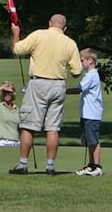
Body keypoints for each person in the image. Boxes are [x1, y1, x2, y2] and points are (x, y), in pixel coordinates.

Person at [9, 13, 82, 174]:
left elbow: (17, 49)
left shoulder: (38, 35)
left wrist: (16, 34)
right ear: (65, 28)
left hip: (39, 83)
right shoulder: (70, 43)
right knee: (53, 127)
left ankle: (22, 164)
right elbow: (77, 72)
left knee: (29, 126)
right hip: (58, 85)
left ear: (49, 23)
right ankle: (50, 166)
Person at [72, 49, 104, 176]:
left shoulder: (91, 75)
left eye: (82, 61)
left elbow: (79, 89)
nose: (81, 64)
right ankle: (91, 165)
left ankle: (97, 166)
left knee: (93, 141)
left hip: (92, 114)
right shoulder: (90, 75)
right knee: (88, 141)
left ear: (90, 60)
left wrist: (61, 90)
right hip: (86, 114)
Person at [0, 81, 21, 147]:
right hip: (0, 142)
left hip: (15, 142)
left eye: (9, 93)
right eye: (5, 92)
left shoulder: (17, 110)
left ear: (13, 94)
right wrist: (2, 87)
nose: (7, 95)